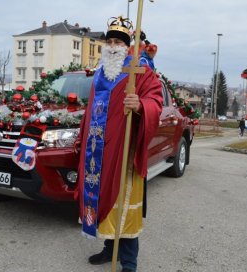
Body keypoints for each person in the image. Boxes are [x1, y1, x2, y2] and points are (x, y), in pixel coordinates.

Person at [75, 16, 163, 272]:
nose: (113, 46)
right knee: (102, 201)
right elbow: (91, 109)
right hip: (97, 151)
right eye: (110, 41)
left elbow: (156, 102)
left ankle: (129, 263)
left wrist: (140, 105)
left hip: (124, 152)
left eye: (118, 42)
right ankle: (107, 249)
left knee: (123, 207)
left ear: (126, 46)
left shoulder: (140, 72)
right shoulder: (101, 73)